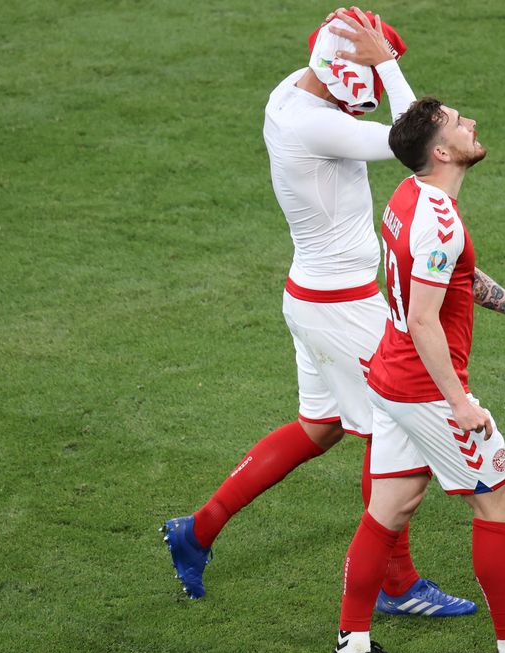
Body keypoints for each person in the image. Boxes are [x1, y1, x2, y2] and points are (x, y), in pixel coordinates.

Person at [159, 8, 478, 616]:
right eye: (366, 79)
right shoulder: (317, 127)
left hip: (312, 295)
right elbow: (414, 143)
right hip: (343, 304)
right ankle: (396, 586)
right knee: (393, 429)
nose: (371, 95)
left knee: (320, 427)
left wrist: (372, 60)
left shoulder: (289, 93)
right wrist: (387, 64)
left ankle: (197, 531)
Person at [326, 97, 505, 653]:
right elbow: (425, 317)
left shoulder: (406, 197)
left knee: (388, 509)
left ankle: (353, 652)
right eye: (457, 123)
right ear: (442, 152)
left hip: (390, 378)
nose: (471, 122)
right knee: (499, 500)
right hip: (423, 389)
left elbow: (452, 276)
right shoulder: (440, 220)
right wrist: (458, 403)